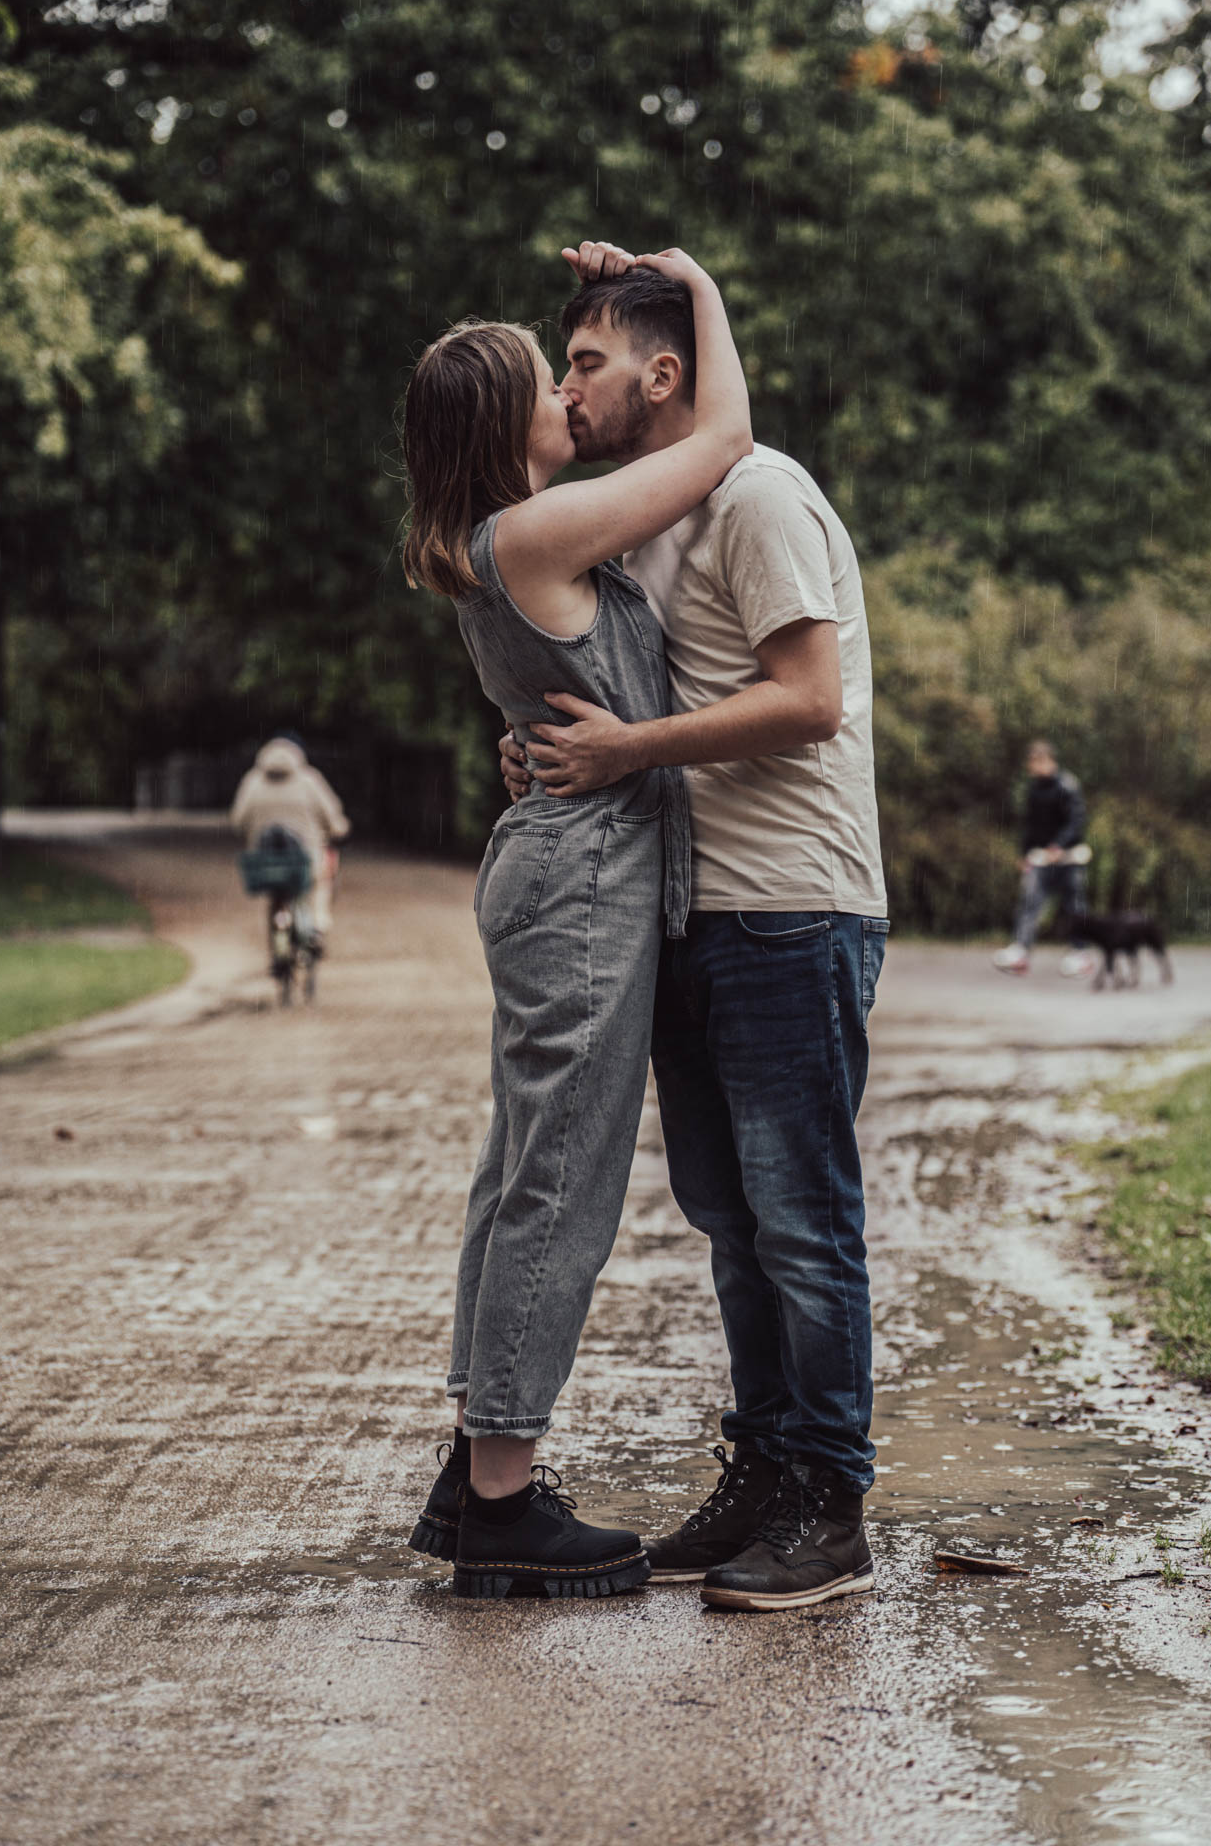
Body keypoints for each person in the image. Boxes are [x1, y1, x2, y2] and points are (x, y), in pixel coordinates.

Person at [500, 249, 888, 1612]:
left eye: (588, 360)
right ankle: (770, 1469)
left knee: (800, 1215)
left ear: (665, 374)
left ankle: (832, 1503)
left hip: (793, 901)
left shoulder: (761, 493)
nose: (568, 384)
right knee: (730, 1216)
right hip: (693, 904)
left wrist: (630, 752)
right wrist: (564, 756)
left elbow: (810, 698)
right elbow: (613, 688)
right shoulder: (639, 518)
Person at [400, 244, 752, 1600]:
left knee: (522, 1170)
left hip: (560, 863)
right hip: (581, 879)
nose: (569, 395)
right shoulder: (537, 530)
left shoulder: (506, 539)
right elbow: (723, 438)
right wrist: (698, 287)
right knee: (562, 1179)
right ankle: (502, 1497)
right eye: (553, 381)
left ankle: (478, 1459)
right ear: (508, 423)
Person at [229, 736, 350, 949]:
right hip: (305, 857)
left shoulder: (253, 781)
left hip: (265, 859)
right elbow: (332, 816)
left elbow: (238, 820)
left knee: (278, 888)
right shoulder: (309, 781)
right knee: (322, 879)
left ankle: (279, 945)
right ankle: (317, 925)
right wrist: (339, 829)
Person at [992, 740, 1093, 978]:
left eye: (1038, 762)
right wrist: (1025, 853)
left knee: (1074, 906)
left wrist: (1059, 845)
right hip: (1040, 859)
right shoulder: (1034, 789)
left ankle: (1080, 954)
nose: (1034, 767)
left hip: (1068, 858)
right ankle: (1020, 952)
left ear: (1049, 761)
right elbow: (1031, 825)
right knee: (1030, 902)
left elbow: (1077, 821)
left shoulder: (1068, 786)